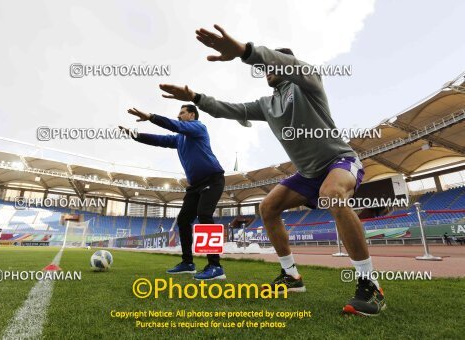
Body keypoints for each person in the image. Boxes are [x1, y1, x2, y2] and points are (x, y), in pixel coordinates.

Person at [159, 24, 385, 316]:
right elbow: (231, 110)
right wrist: (196, 97)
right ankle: (291, 276)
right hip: (307, 173)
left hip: (338, 161)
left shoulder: (308, 82)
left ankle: (371, 284)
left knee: (331, 193)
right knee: (268, 207)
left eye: (271, 64)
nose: (265, 69)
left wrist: (244, 51)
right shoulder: (267, 104)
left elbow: (283, 63)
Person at [120, 105, 226, 280]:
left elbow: (175, 125)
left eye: (182, 112)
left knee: (204, 214)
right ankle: (188, 263)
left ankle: (215, 266)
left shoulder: (199, 127)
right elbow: (159, 140)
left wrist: (151, 115)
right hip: (195, 185)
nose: (178, 115)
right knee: (184, 220)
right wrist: (134, 135)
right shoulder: (179, 139)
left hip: (212, 179)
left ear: (192, 115)